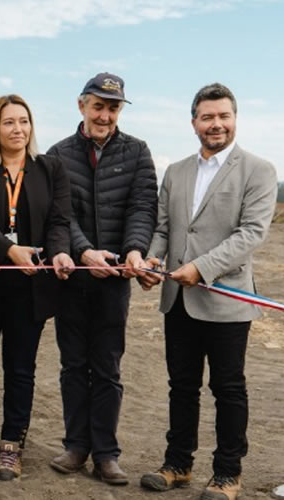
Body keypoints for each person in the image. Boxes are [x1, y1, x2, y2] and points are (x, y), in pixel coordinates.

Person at [138, 83, 277, 500]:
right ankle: (178, 464)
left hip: (227, 300)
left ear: (234, 119)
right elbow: (163, 229)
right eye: (207, 117)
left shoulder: (259, 170)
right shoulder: (177, 171)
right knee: (181, 386)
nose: (216, 124)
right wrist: (150, 260)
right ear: (194, 121)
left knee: (228, 388)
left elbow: (251, 233)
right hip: (177, 300)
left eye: (223, 116)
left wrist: (202, 267)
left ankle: (227, 474)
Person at [0, 94, 74, 480]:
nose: (17, 129)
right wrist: (8, 249)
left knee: (20, 368)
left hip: (30, 286)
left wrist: (57, 253)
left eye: (23, 121)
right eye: (9, 122)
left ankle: (11, 442)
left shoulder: (50, 169)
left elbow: (59, 220)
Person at [47, 72, 158, 485]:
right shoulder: (57, 154)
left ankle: (106, 454)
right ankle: (76, 446)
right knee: (73, 365)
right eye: (99, 106)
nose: (105, 115)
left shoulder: (138, 152)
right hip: (72, 277)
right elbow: (59, 215)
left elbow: (143, 207)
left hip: (114, 280)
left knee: (107, 367)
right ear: (81, 105)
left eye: (113, 108)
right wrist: (82, 251)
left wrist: (134, 250)